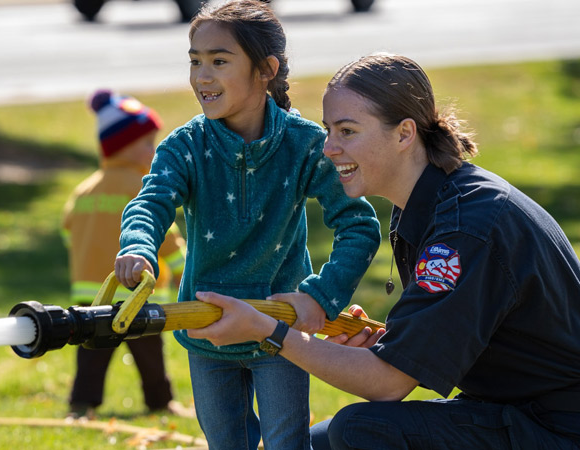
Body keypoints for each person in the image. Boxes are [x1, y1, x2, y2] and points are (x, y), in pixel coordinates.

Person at [187, 53, 580, 449]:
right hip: (514, 411)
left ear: (405, 133)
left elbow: (389, 384)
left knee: (361, 431)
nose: (329, 148)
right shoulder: (432, 202)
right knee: (320, 442)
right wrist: (386, 343)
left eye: (347, 131)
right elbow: (448, 335)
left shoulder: (465, 228)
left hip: (557, 428)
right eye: (328, 130)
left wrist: (268, 332)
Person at [113, 1, 381, 448]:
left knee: (285, 444)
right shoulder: (184, 148)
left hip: (279, 336)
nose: (202, 76)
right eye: (195, 61)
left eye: (219, 61)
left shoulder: (306, 144)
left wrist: (320, 297)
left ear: (265, 70)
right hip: (205, 333)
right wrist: (138, 245)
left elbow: (359, 224)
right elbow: (151, 202)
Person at [62, 89, 189, 419]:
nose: (154, 149)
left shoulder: (83, 190)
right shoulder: (142, 188)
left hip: (91, 294)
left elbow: (68, 231)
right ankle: (161, 402)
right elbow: (167, 237)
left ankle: (81, 406)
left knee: (91, 352)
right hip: (138, 294)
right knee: (149, 353)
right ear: (122, 146)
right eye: (147, 143)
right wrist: (184, 269)